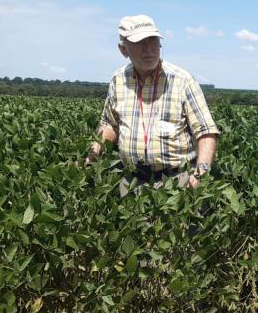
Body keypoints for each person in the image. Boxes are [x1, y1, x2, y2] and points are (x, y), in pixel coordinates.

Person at [86, 15, 219, 193]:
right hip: (130, 181)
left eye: (153, 41)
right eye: (140, 42)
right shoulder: (118, 80)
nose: (148, 49)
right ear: (123, 50)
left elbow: (206, 131)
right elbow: (110, 124)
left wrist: (201, 173)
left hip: (176, 181)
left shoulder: (182, 80)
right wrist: (93, 154)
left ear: (160, 44)